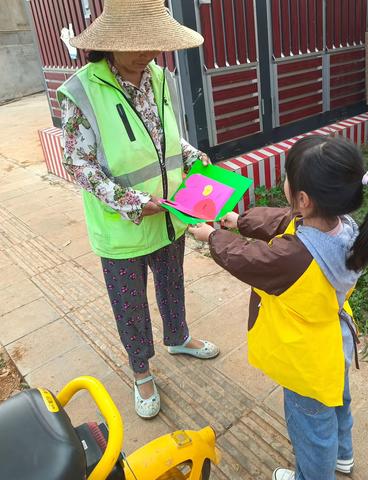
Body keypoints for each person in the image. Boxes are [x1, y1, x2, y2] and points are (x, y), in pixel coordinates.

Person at [189, 135, 368, 479]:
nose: (284, 184)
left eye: (287, 179)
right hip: (332, 342)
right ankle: (343, 456)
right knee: (338, 403)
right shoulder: (345, 228)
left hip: (304, 362)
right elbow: (284, 221)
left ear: (303, 199)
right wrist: (241, 222)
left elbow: (249, 259)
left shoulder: (294, 256)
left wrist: (213, 237)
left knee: (311, 431)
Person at [58, 0, 219, 420]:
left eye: (153, 42)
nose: (146, 51)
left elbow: (167, 140)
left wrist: (192, 156)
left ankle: (178, 336)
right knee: (130, 305)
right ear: (109, 42)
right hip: (122, 230)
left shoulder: (161, 79)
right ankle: (141, 370)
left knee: (172, 285)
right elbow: (79, 164)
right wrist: (132, 202)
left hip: (169, 216)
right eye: (136, 43)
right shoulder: (81, 90)